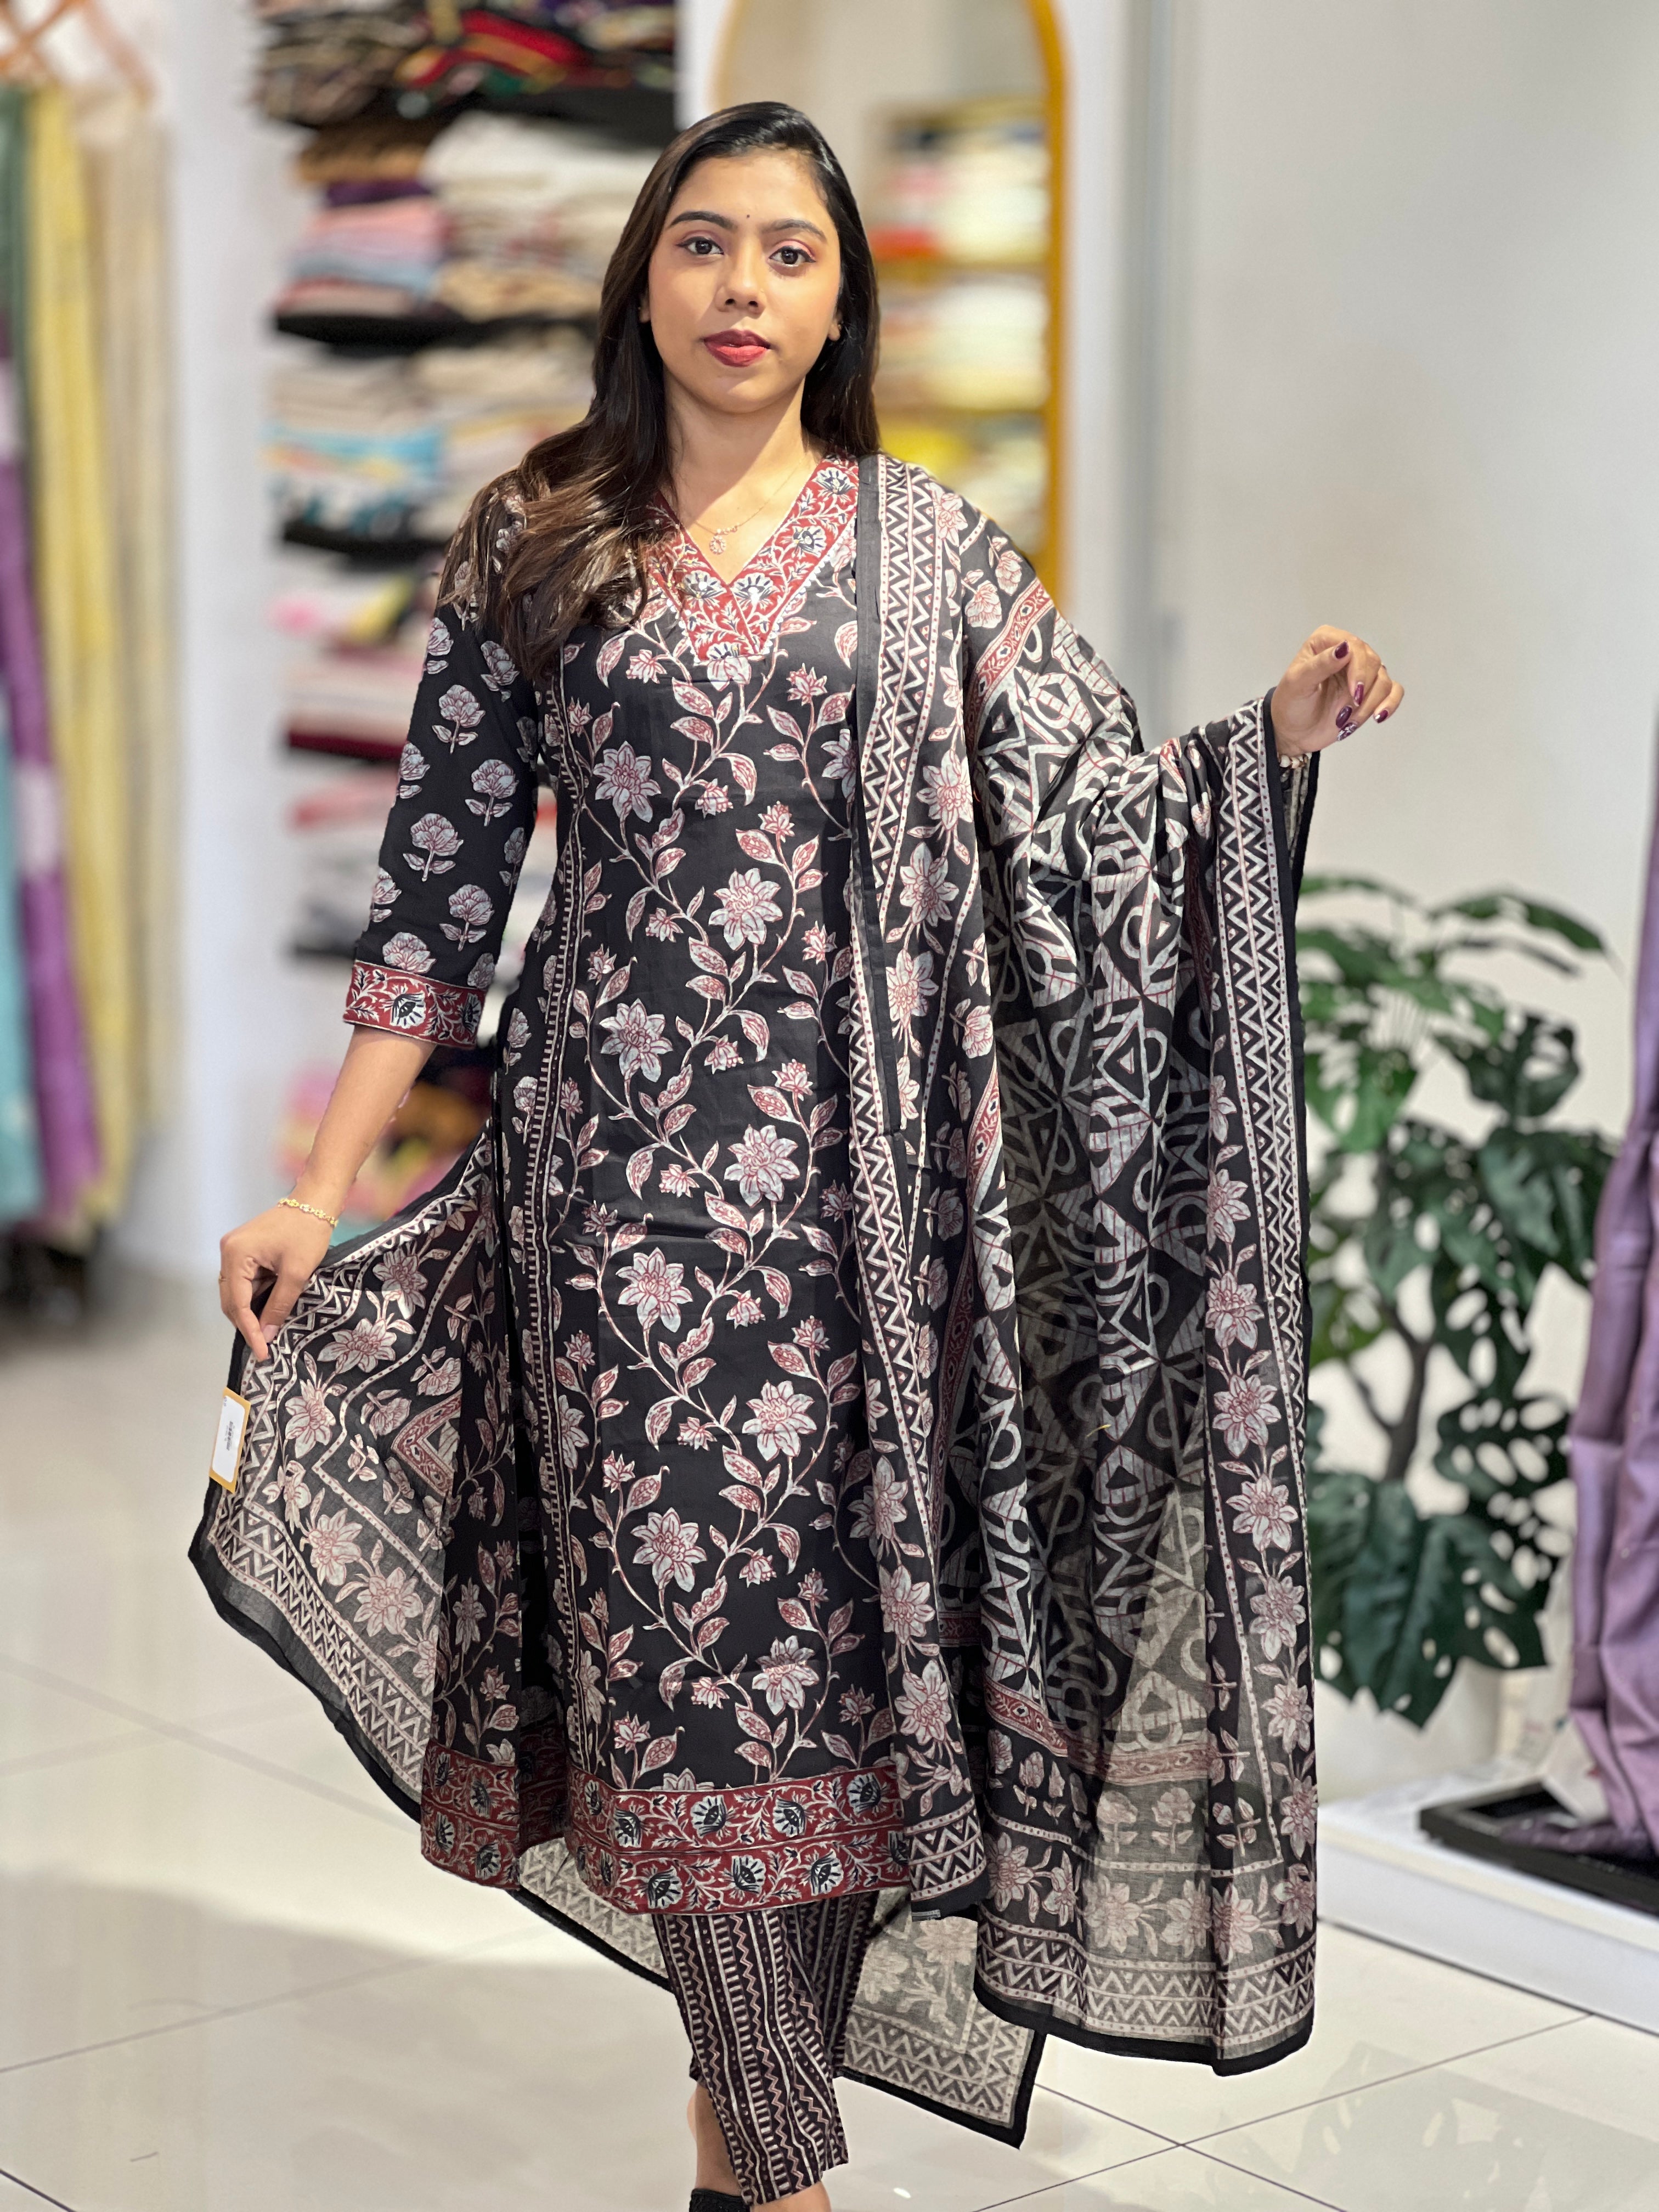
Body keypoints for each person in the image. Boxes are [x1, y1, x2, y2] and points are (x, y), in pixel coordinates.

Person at [210, 101, 1401, 2212]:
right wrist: (322, 1189)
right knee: (687, 1685)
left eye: (789, 252)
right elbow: (435, 902)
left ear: (843, 300)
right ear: (642, 276)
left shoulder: (931, 556)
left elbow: (1099, 829)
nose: (742, 288)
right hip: (618, 1227)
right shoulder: (536, 539)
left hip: (879, 1234)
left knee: (843, 1701)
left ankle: (730, 2135)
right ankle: (785, 2173)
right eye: (703, 243)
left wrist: (1270, 748)